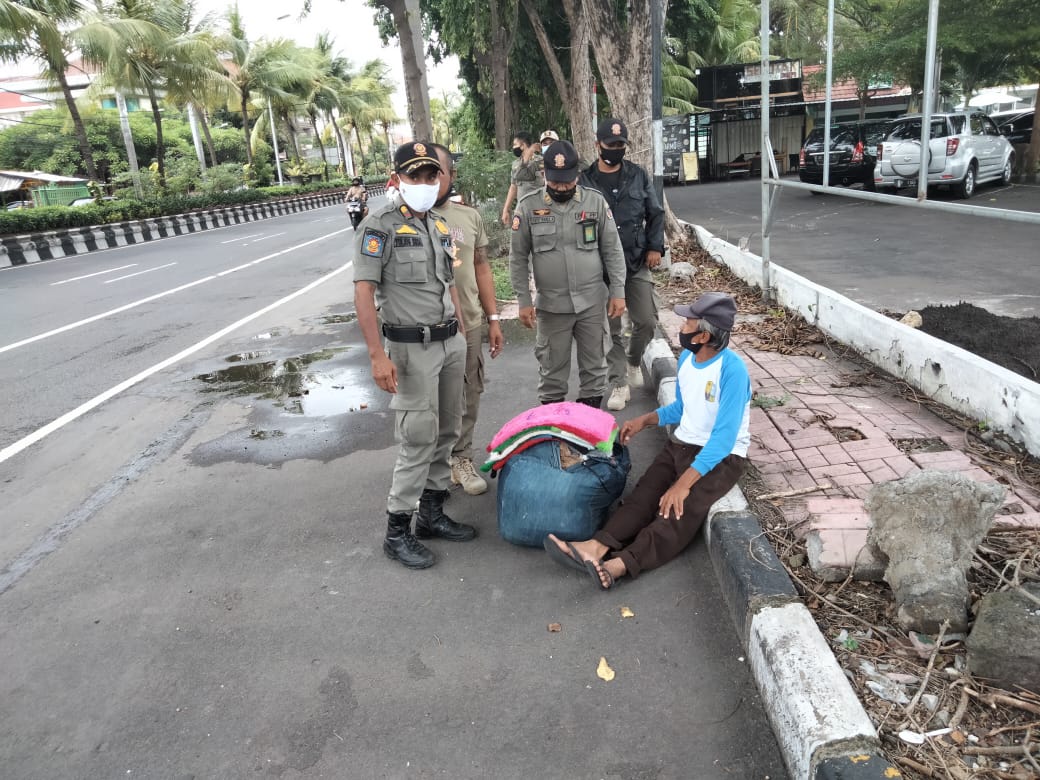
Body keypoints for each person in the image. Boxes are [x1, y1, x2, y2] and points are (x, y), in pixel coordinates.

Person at [545, 292, 751, 589]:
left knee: (677, 512)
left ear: (704, 335)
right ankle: (596, 547)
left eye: (688, 322)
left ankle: (621, 564)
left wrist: (682, 485)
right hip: (683, 443)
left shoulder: (732, 371)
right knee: (645, 495)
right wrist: (644, 420)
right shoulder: (687, 359)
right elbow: (682, 407)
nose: (682, 327)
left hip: (722, 457)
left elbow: (722, 439)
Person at [353, 141, 477, 570]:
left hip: (449, 343)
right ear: (396, 180)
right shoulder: (379, 226)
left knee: (447, 429)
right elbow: (364, 292)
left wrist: (460, 328)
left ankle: (431, 514)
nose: (424, 183)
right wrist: (376, 355)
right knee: (417, 437)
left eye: (430, 176)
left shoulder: (440, 225)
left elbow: (450, 285)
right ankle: (396, 531)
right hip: (410, 349)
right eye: (414, 176)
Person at [509, 139, 626, 408]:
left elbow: (613, 250)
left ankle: (586, 437)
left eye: (567, 181)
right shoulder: (528, 206)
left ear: (577, 175)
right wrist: (524, 301)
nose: (562, 187)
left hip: (592, 303)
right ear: (545, 175)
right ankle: (555, 442)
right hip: (552, 306)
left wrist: (618, 291)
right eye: (555, 181)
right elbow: (517, 258)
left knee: (594, 368)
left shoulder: (595, 202)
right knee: (552, 374)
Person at [429, 143, 505, 496]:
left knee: (469, 391)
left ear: (451, 175)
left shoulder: (469, 217)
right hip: (424, 329)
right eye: (421, 174)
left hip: (469, 322)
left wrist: (492, 318)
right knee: (428, 399)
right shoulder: (402, 219)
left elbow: (481, 267)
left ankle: (461, 459)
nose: (429, 180)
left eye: (436, 172)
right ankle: (429, 468)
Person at [581, 117, 665, 412]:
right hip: (599, 268)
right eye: (610, 144)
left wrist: (655, 246)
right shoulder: (584, 180)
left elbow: (655, 213)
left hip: (635, 260)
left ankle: (632, 361)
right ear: (598, 146)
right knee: (611, 329)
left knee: (646, 321)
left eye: (620, 145)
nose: (616, 149)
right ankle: (618, 382)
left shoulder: (638, 175)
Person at [500, 132, 544, 227]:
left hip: (539, 210)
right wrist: (506, 209)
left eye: (515, 144)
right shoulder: (515, 164)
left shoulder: (540, 161)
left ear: (523, 145)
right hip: (521, 209)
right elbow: (513, 187)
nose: (513, 148)